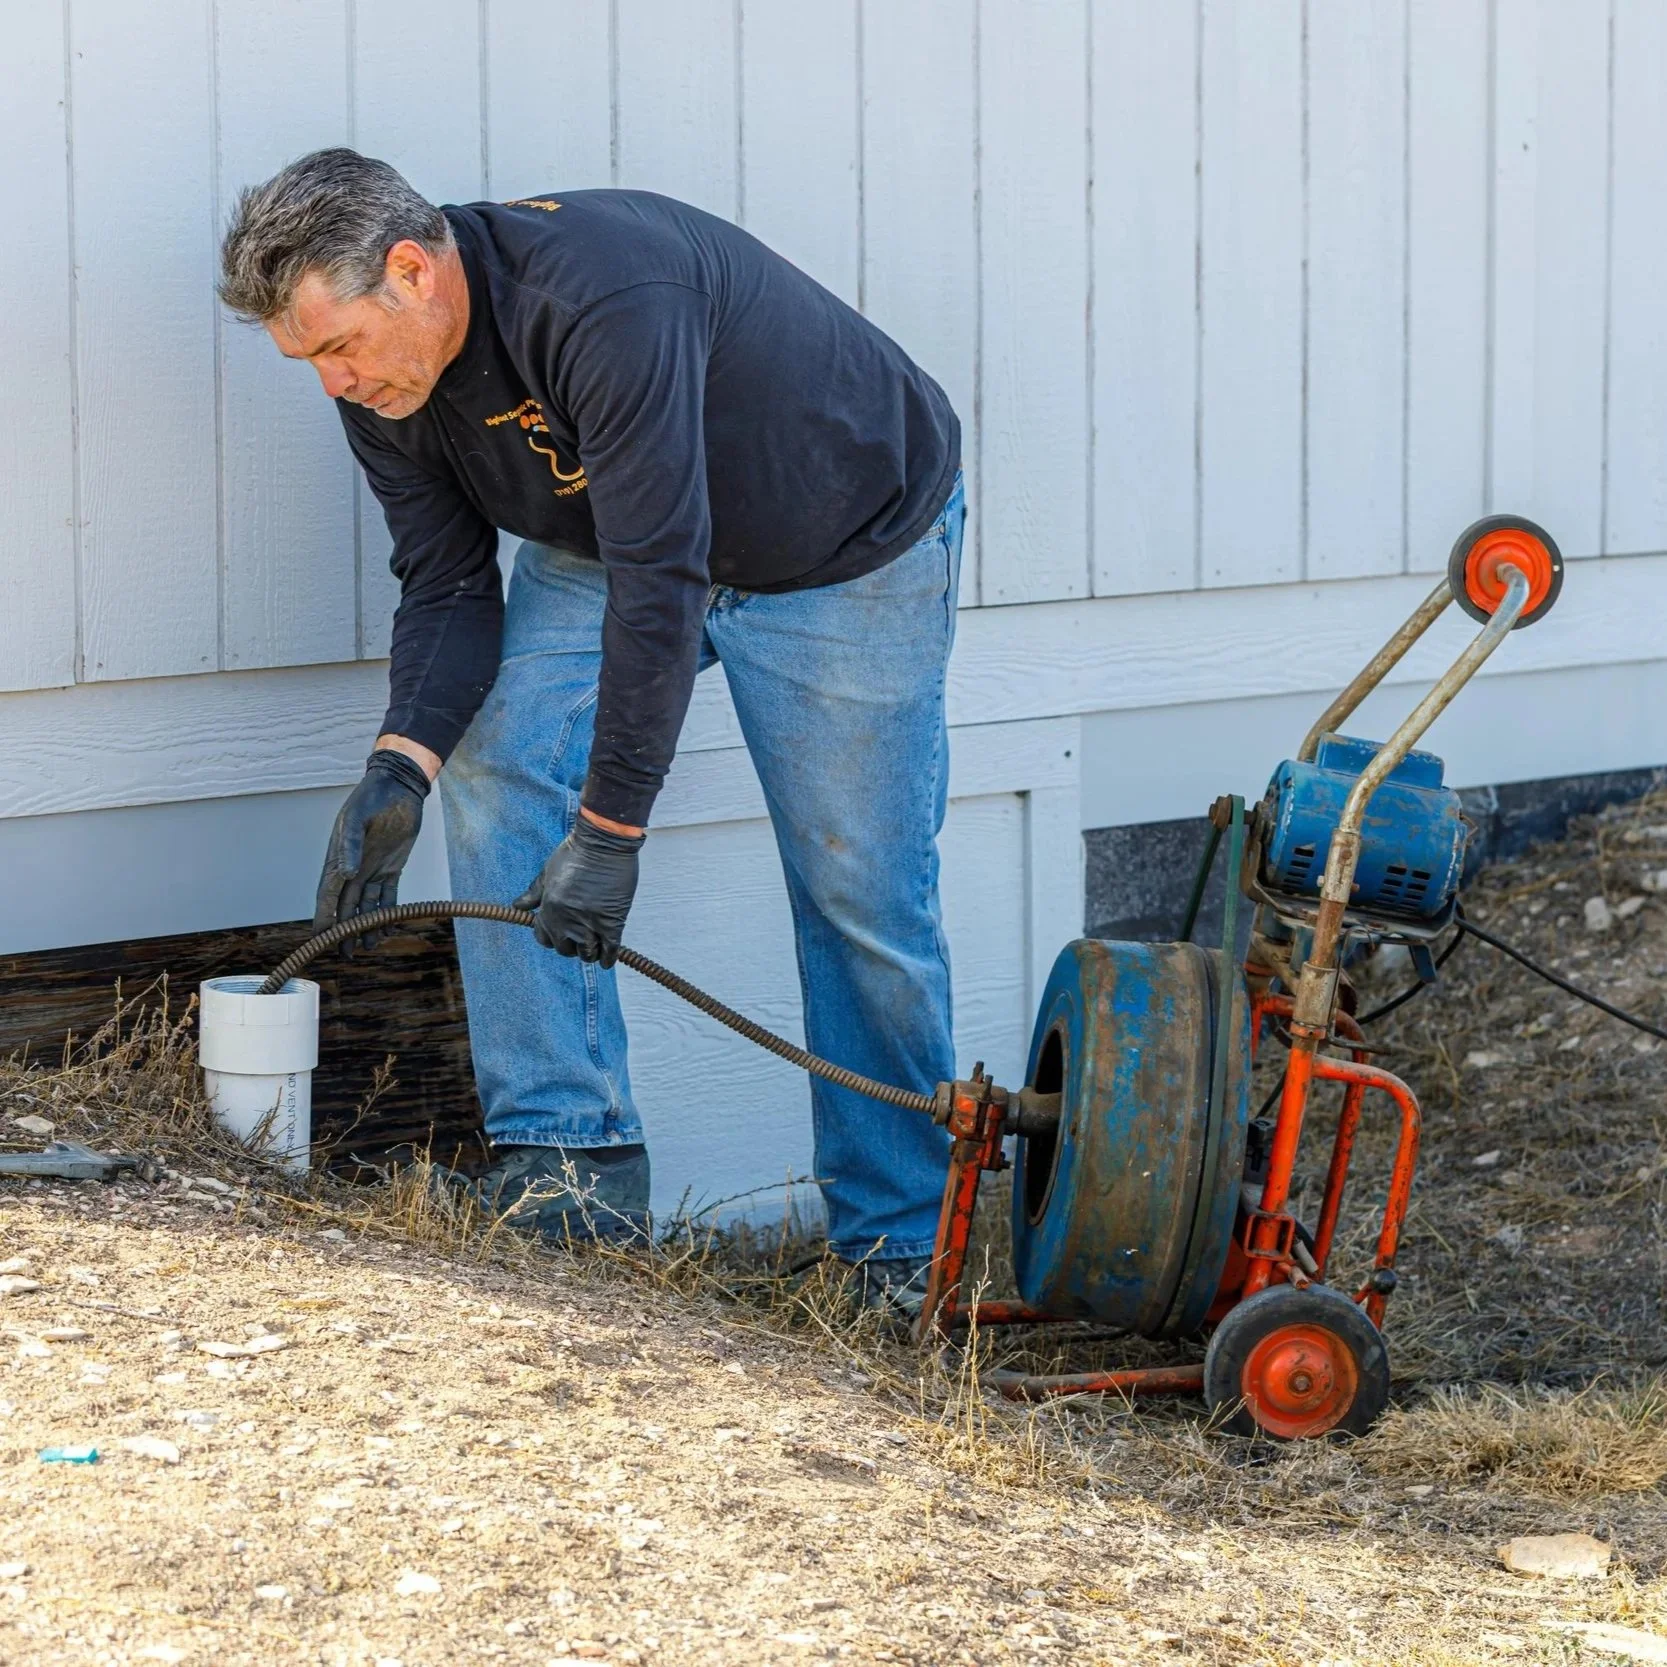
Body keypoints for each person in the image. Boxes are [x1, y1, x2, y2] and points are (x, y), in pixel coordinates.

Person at [218, 148, 963, 1307]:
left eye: (335, 346)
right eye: (304, 360)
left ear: (411, 270)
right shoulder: (390, 388)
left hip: (841, 545)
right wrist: (397, 769)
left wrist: (609, 834)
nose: (332, 383)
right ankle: (570, 1172)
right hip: (610, 542)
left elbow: (663, 581)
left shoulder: (599, 299)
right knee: (493, 754)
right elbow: (449, 591)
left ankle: (898, 1243)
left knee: (858, 886)